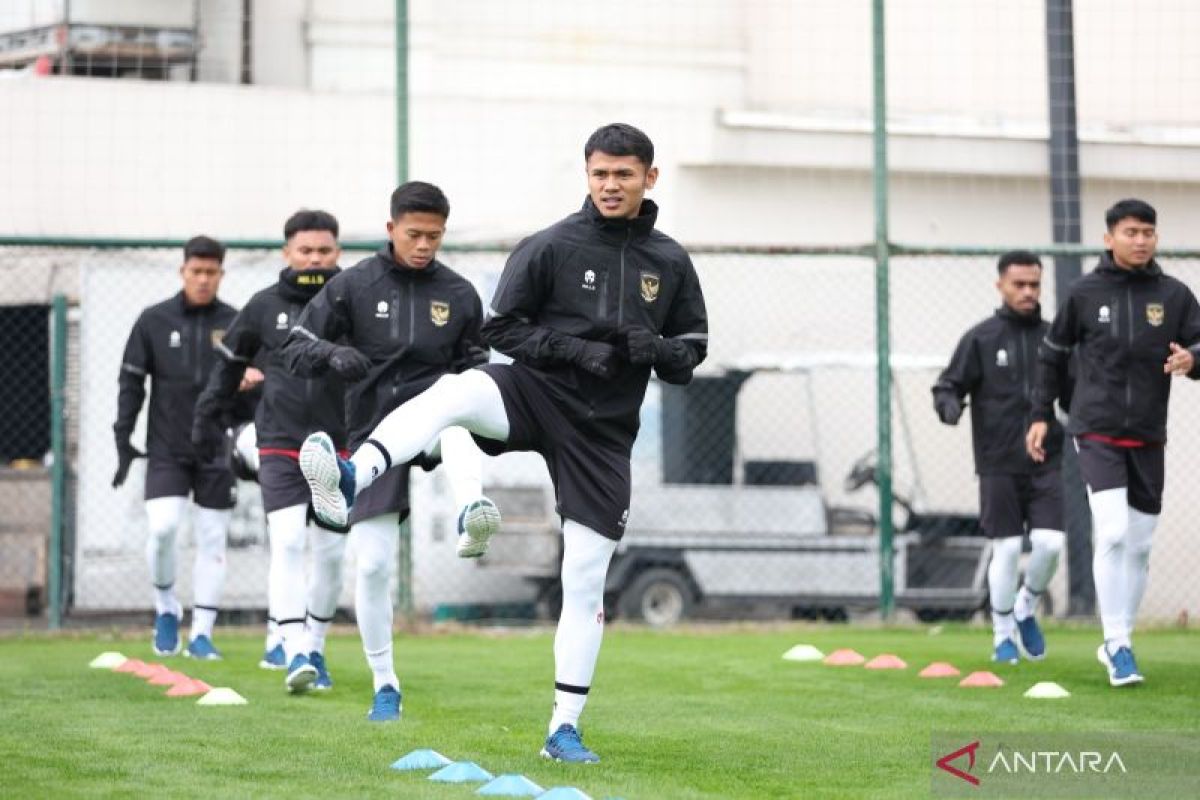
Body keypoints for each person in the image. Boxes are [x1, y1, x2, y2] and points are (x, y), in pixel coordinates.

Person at [297, 123, 708, 761]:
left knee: (584, 577)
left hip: (602, 434)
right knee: (455, 392)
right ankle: (353, 474)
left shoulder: (672, 261)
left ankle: (562, 729)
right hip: (535, 394)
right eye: (599, 173)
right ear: (587, 174)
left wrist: (650, 348)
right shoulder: (550, 246)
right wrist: (574, 349)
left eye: (623, 174)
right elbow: (504, 329)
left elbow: (691, 354)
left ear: (649, 178)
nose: (609, 185)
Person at [281, 181, 497, 720]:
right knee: (373, 566)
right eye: (414, 234)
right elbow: (295, 346)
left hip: (438, 421)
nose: (424, 244)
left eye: (435, 236)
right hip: (373, 434)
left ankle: (473, 509)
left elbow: (477, 367)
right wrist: (333, 355)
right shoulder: (353, 286)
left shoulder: (461, 294)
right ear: (390, 230)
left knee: (456, 418)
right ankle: (386, 684)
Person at [1027, 198, 1200, 687]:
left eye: (1148, 231)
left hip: (1148, 434)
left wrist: (1192, 359)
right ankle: (1118, 642)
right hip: (1096, 429)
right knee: (1115, 532)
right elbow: (1051, 357)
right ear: (1109, 238)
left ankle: (1119, 640)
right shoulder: (1084, 294)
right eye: (1131, 231)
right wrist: (1040, 414)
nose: (1140, 239)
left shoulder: (1175, 295)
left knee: (1140, 546)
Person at [193, 210, 350, 693]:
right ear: (287, 253)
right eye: (305, 251)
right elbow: (228, 365)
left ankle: (316, 646)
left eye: (324, 251)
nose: (315, 259)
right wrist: (208, 418)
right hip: (278, 443)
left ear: (337, 252)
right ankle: (294, 650)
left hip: (339, 445)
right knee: (286, 542)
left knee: (328, 554)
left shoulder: (354, 300)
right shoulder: (263, 307)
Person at [113, 235, 261, 660]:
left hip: (217, 449)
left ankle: (202, 633)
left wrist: (250, 389)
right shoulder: (153, 321)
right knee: (162, 529)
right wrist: (123, 438)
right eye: (196, 271)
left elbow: (256, 389)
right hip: (166, 447)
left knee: (213, 538)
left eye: (211, 272)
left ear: (221, 275)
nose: (202, 279)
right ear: (183, 271)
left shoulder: (237, 322)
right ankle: (165, 608)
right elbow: (130, 383)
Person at [932, 251, 1068, 664]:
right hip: (997, 461)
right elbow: (947, 386)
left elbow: (1080, 390)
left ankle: (1026, 603)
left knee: (1050, 543)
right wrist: (949, 406)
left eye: (1034, 285)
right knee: (1006, 549)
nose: (1028, 292)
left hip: (1047, 458)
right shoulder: (981, 338)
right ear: (1001, 286)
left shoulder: (1054, 338)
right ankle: (1002, 632)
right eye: (1019, 284)